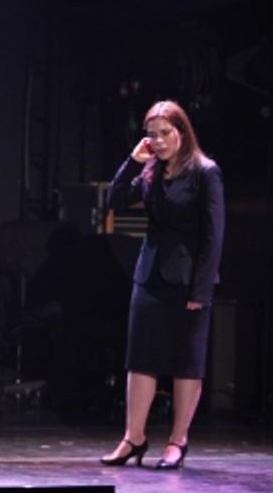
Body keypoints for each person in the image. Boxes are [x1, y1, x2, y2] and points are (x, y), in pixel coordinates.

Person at [99, 100, 224, 471]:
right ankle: (133, 439)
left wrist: (201, 291)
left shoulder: (205, 172)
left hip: (187, 281)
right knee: (140, 360)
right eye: (152, 134)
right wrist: (133, 161)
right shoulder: (152, 171)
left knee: (186, 363)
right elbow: (116, 201)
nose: (159, 141)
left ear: (182, 132)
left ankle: (177, 441)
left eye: (165, 133)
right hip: (149, 275)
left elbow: (213, 236)